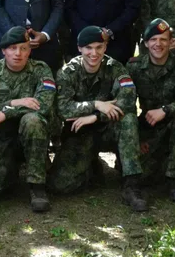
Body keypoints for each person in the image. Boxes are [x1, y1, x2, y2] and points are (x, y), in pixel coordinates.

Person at [48, 26, 148, 212]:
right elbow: (63, 109)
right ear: (79, 48)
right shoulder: (67, 73)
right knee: (60, 186)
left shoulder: (116, 68)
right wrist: (97, 104)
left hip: (107, 128)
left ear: (105, 47)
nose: (94, 53)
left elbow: (127, 100)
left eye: (99, 47)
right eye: (88, 48)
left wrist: (95, 117)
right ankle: (92, 164)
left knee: (128, 120)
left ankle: (132, 185)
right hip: (80, 132)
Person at [0, 27, 55, 212]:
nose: (18, 53)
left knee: (32, 120)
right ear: (3, 50)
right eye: (13, 48)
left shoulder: (41, 70)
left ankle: (37, 186)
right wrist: (14, 102)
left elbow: (43, 104)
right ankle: (10, 168)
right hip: (1, 137)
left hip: (33, 135)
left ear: (29, 51)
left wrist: (5, 112)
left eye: (23, 48)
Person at [128, 19, 175, 202]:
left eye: (163, 39)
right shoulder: (134, 66)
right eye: (153, 40)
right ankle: (173, 163)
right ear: (145, 44)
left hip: (174, 121)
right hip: (149, 125)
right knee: (139, 172)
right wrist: (138, 137)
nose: (158, 44)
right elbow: (126, 101)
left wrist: (165, 110)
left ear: (171, 42)